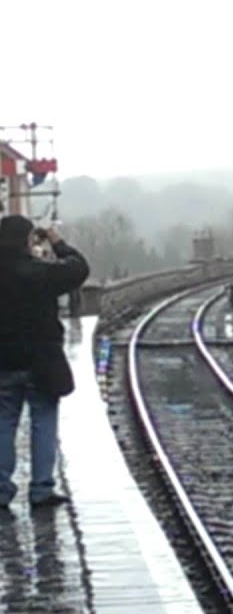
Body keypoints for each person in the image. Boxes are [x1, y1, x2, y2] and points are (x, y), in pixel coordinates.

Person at [0, 216, 90, 508]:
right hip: (42, 361)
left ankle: (1, 489)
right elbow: (79, 268)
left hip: (4, 361)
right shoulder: (42, 272)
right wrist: (56, 240)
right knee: (43, 421)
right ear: (29, 240)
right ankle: (41, 489)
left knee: (4, 422)